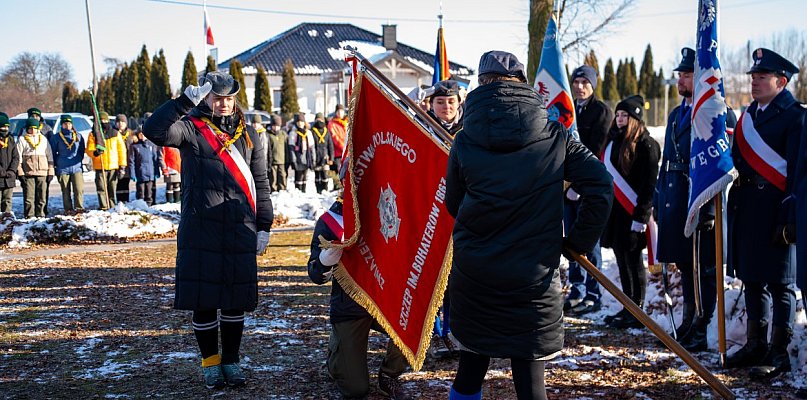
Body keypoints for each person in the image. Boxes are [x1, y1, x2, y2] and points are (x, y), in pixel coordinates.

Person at [445, 50, 613, 400]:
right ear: (522, 83)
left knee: (470, 369)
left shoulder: (464, 139)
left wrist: (482, 230)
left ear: (481, 84)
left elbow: (453, 204)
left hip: (478, 271)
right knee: (531, 379)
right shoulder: (557, 136)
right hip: (532, 274)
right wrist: (577, 242)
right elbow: (600, 187)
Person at [143, 70, 273, 389]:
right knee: (204, 300)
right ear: (206, 98)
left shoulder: (248, 135)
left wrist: (264, 225)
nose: (224, 103)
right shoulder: (190, 128)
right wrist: (184, 101)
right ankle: (211, 364)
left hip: (240, 226)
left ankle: (231, 360)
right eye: (217, 97)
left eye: (229, 98)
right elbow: (153, 130)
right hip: (201, 229)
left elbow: (260, 182)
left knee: (234, 301)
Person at [724, 48, 804, 379]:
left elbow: (798, 171)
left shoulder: (795, 116)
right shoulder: (749, 115)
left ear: (781, 82)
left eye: (761, 78)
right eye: (753, 77)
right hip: (748, 205)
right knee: (752, 278)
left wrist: (790, 218)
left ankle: (779, 351)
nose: (754, 82)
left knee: (779, 282)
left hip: (774, 208)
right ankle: (756, 343)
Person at [653, 48, 737, 351]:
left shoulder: (718, 111)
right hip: (676, 198)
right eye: (680, 75)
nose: (681, 79)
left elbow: (724, 162)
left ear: (700, 78)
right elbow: (666, 160)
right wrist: (658, 196)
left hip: (702, 199)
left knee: (705, 266)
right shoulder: (676, 114)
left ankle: (703, 323)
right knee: (686, 264)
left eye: (687, 74)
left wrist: (712, 202)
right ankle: (689, 319)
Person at [307, 195, 410, 399]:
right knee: (355, 389)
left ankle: (390, 374)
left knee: (414, 319)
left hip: (386, 301)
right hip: (351, 306)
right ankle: (336, 356)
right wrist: (325, 260)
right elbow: (315, 275)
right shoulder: (331, 220)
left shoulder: (390, 207)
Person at [600, 95, 661, 330]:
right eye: (618, 115)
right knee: (621, 261)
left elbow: (649, 185)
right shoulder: (613, 141)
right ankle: (627, 306)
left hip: (633, 212)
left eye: (625, 115)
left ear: (635, 118)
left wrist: (641, 216)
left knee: (633, 262)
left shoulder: (646, 144)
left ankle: (638, 309)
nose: (619, 119)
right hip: (616, 213)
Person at [563, 65, 614, 316]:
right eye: (576, 82)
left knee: (589, 241)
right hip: (568, 187)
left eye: (585, 82)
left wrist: (579, 186)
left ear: (593, 85)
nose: (580, 87)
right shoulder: (569, 109)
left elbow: (595, 152)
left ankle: (594, 293)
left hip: (589, 187)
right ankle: (577, 289)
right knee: (571, 238)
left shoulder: (601, 111)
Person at [86, 111, 127, 210]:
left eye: (105, 120)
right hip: (100, 166)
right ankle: (104, 206)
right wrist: (95, 153)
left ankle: (112, 206)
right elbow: (89, 149)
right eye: (101, 120)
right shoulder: (93, 134)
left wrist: (122, 166)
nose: (103, 122)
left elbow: (121, 150)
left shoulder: (115, 133)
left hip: (113, 166)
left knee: (111, 188)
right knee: (101, 188)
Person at [16, 117, 54, 218]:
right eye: (30, 128)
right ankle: (29, 217)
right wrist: (20, 172)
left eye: (35, 128)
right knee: (29, 198)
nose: (33, 131)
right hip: (28, 173)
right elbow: (18, 157)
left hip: (42, 172)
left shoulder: (43, 139)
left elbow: (49, 156)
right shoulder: (22, 140)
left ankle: (41, 216)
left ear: (38, 129)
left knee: (42, 197)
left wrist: (51, 171)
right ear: (27, 129)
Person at [50, 114, 86, 212]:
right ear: (62, 125)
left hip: (76, 167)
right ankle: (68, 209)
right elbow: (53, 152)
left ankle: (79, 208)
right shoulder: (56, 137)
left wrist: (78, 159)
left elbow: (81, 150)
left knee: (78, 189)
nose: (67, 126)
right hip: (62, 168)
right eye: (65, 124)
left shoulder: (78, 136)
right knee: (66, 191)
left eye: (69, 123)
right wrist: (57, 163)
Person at [128, 129, 162, 206]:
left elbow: (155, 159)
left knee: (149, 193)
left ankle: (149, 207)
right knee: (141, 192)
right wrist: (132, 174)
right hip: (140, 173)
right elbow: (131, 161)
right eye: (140, 134)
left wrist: (157, 172)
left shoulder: (152, 145)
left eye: (144, 134)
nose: (142, 136)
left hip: (150, 173)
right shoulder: (135, 146)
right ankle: (141, 206)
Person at [288, 112, 315, 192]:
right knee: (298, 175)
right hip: (298, 156)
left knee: (304, 175)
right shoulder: (293, 133)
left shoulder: (308, 133)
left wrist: (313, 158)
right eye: (298, 122)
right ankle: (298, 191)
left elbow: (312, 147)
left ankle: (304, 190)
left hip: (306, 156)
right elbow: (291, 148)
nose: (300, 123)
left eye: (302, 121)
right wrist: (294, 160)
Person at [0, 115, 19, 213]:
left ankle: (6, 222)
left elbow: (16, 157)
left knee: (7, 201)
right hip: (1, 175)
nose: (5, 129)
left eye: (7, 127)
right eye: (2, 127)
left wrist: (12, 170)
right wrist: (2, 172)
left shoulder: (11, 139)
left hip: (9, 178)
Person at [114, 114, 135, 203]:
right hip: (116, 162)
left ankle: (126, 200)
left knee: (126, 182)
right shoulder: (113, 133)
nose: (120, 124)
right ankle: (119, 201)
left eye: (122, 122)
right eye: (118, 122)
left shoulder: (130, 134)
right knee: (118, 183)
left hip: (128, 162)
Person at [311, 112, 334, 193]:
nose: (319, 121)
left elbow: (330, 146)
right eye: (317, 119)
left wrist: (332, 157)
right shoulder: (312, 131)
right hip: (316, 156)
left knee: (325, 174)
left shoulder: (326, 131)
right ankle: (318, 190)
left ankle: (325, 189)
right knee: (317, 174)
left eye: (320, 119)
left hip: (325, 156)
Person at [251, 114, 274, 190]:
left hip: (263, 161)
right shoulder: (250, 133)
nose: (255, 125)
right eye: (253, 123)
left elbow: (269, 150)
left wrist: (269, 163)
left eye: (257, 123)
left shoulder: (265, 134)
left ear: (260, 123)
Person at [327, 104, 348, 189]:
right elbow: (335, 138)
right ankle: (338, 187)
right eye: (338, 111)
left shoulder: (347, 122)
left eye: (341, 111)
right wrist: (345, 148)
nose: (340, 113)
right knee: (339, 172)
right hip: (338, 153)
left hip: (347, 152)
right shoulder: (332, 124)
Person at [268, 114, 289, 192]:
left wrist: (288, 159)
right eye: (274, 126)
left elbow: (287, 147)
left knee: (282, 175)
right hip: (273, 161)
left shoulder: (283, 134)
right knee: (273, 177)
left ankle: (282, 189)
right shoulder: (269, 135)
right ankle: (273, 190)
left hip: (282, 160)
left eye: (277, 126)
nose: (276, 128)